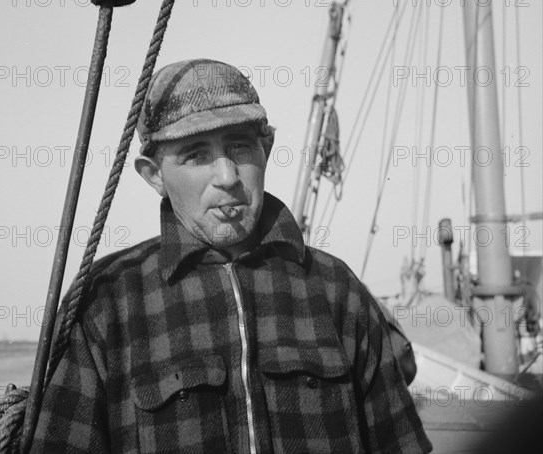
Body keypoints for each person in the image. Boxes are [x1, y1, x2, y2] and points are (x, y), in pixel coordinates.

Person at [31, 59, 432, 453]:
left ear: (266, 150)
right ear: (154, 175)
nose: (226, 177)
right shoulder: (108, 302)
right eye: (195, 155)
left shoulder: (336, 290)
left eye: (239, 147)